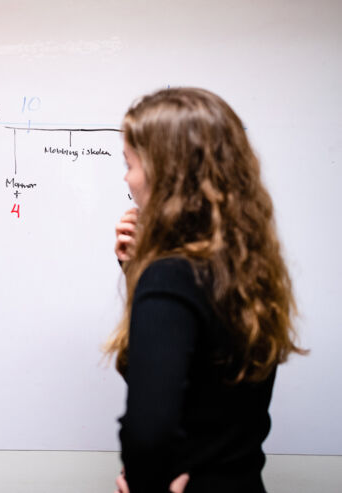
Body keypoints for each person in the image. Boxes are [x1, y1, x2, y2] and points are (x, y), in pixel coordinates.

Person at [106, 87, 306, 492]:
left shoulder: (169, 277)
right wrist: (135, 272)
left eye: (130, 165)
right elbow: (199, 389)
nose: (127, 180)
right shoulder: (247, 269)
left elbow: (150, 430)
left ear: (167, 174)